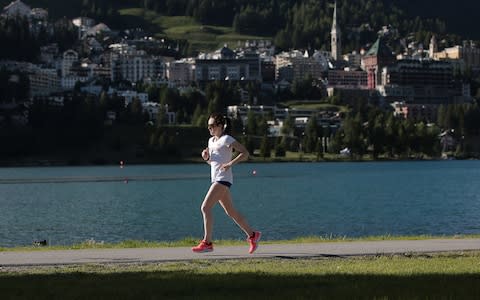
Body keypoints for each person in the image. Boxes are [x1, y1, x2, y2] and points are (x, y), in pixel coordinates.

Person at [192, 113, 261, 254]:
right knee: (231, 212)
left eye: (212, 126)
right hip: (216, 178)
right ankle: (253, 235)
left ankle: (207, 242)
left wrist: (230, 164)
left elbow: (245, 153)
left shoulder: (227, 139)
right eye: (208, 126)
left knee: (205, 207)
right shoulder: (211, 141)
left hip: (223, 179)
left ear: (220, 126)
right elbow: (213, 163)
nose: (209, 129)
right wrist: (206, 158)